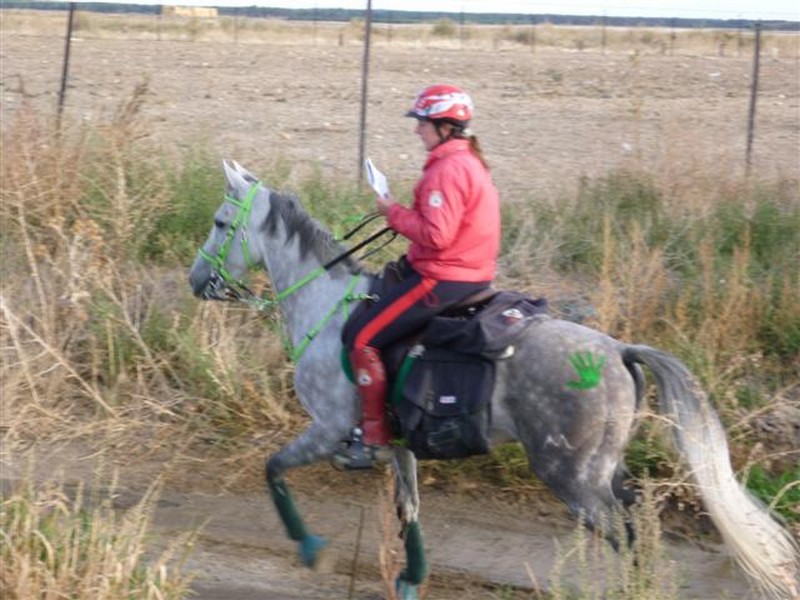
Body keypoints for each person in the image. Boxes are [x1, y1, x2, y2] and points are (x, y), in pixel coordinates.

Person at [336, 84, 501, 469]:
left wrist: (391, 212)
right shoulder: (467, 161)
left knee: (360, 337)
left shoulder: (447, 170)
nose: (417, 130)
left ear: (444, 127)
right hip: (468, 271)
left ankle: (374, 438)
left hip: (444, 277)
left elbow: (437, 235)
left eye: (422, 123)